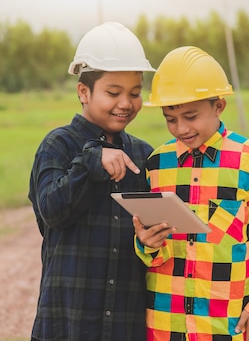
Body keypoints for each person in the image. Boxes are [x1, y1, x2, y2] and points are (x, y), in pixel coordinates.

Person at [133, 46, 249, 341]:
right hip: (166, 325)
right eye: (170, 119)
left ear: (218, 107)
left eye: (191, 116)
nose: (181, 129)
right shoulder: (156, 165)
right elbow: (155, 251)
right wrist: (146, 243)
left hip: (231, 327)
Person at [28, 21, 156, 341]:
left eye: (135, 93)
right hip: (70, 316)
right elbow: (52, 212)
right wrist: (90, 162)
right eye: (113, 93)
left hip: (127, 319)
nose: (126, 103)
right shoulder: (58, 145)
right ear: (83, 91)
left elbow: (154, 236)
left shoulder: (144, 155)